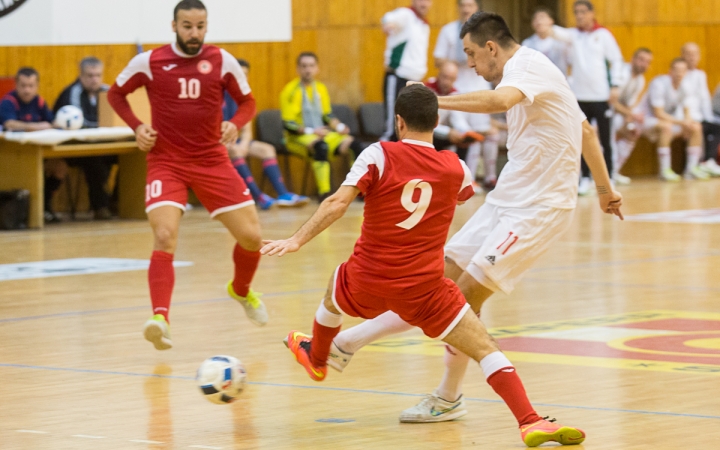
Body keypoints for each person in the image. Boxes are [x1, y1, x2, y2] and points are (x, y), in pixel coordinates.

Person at [325, 11, 623, 426]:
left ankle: (438, 391)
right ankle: (350, 345)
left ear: (490, 48)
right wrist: (606, 191)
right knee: (433, 282)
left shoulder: (528, 67)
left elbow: (499, 103)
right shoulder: (531, 73)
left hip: (538, 211)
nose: (468, 63)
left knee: (457, 302)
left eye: (470, 54)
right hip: (505, 200)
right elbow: (586, 132)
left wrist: (430, 102)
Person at [262, 84, 586, 448]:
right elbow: (463, 194)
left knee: (331, 298)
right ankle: (530, 421)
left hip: (368, 278)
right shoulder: (456, 168)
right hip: (424, 289)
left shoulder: (377, 154)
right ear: (436, 121)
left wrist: (296, 240)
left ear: (399, 122)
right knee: (485, 347)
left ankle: (319, 358)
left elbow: (338, 202)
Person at [107, 0, 268, 351]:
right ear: (174, 25)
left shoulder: (222, 61)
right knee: (165, 236)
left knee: (253, 238)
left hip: (211, 159)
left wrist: (235, 124)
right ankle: (160, 319)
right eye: (187, 26)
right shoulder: (149, 62)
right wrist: (137, 126)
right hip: (167, 161)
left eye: (200, 26)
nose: (194, 33)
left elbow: (249, 103)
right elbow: (115, 93)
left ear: (206, 26)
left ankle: (240, 290)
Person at [547, 0, 624, 195]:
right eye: (576, 12)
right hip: (579, 97)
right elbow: (554, 31)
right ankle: (586, 178)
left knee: (605, 140)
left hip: (601, 96)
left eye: (583, 12)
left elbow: (616, 60)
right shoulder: (573, 36)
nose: (579, 15)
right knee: (582, 139)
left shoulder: (603, 35)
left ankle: (610, 177)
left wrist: (615, 85)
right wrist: (543, 21)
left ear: (591, 13)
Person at [224, 58, 309, 210]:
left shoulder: (244, 97)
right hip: (220, 143)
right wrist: (233, 144)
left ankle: (283, 195)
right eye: (239, 74)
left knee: (267, 149)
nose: (242, 78)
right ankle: (258, 196)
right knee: (235, 150)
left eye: (246, 74)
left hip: (238, 142)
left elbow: (247, 130)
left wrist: (244, 144)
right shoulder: (219, 95)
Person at [434, 0, 499, 191]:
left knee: (485, 133)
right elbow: (438, 58)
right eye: (463, 5)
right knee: (468, 135)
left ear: (476, 8)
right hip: (458, 88)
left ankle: (490, 177)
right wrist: (462, 58)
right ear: (458, 8)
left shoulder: (486, 32)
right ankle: (468, 179)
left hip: (480, 86)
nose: (466, 9)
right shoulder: (448, 30)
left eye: (470, 5)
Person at [281, 52, 360, 201]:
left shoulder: (321, 88)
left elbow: (327, 115)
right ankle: (324, 194)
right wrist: (312, 131)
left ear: (317, 68)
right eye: (304, 66)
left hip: (320, 133)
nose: (308, 70)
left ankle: (358, 189)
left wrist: (340, 127)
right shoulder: (290, 91)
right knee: (320, 147)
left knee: (354, 144)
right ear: (298, 69)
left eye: (311, 66)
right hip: (298, 137)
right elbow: (288, 124)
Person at [0, 67, 66, 223]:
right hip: (13, 155)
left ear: (37, 86)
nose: (27, 90)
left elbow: (51, 122)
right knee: (35, 169)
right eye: (23, 85)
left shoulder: (39, 101)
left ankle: (45, 207)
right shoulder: (8, 102)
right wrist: (36, 126)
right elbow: (10, 123)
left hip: (39, 152)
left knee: (60, 167)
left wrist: (61, 122)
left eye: (31, 86)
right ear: (16, 85)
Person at [54, 56, 115, 220]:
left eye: (98, 75)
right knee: (95, 160)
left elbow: (117, 117)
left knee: (132, 158)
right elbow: (82, 123)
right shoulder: (72, 93)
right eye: (90, 75)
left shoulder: (107, 91)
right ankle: (101, 207)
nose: (95, 80)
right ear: (81, 76)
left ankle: (117, 203)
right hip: (73, 149)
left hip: (103, 146)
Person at [636, 58, 705, 181]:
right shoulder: (658, 84)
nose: (679, 74)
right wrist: (682, 122)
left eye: (683, 70)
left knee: (696, 127)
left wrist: (688, 123)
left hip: (668, 120)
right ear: (670, 71)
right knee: (666, 127)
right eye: (676, 70)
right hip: (644, 119)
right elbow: (658, 113)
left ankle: (691, 169)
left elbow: (686, 110)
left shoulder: (686, 85)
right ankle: (664, 170)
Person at [380, 0, 432, 141]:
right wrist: (388, 24)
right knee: (393, 127)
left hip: (415, 82)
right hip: (398, 78)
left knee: (410, 130)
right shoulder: (406, 15)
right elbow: (388, 18)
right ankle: (376, 161)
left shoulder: (424, 25)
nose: (424, 3)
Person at [609, 47, 653, 184]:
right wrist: (629, 115)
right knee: (611, 132)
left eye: (647, 62)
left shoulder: (640, 80)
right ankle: (600, 173)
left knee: (633, 131)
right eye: (641, 60)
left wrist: (629, 118)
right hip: (602, 111)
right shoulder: (621, 73)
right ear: (632, 59)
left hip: (618, 113)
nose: (643, 64)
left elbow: (629, 104)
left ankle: (613, 170)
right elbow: (611, 100)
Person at [424, 61, 484, 152]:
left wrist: (467, 132)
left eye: (451, 79)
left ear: (455, 79)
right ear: (438, 75)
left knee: (463, 142)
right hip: (423, 133)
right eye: (445, 77)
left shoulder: (453, 93)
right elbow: (425, 124)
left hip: (439, 131)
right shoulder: (426, 90)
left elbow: (458, 119)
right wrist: (449, 132)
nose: (446, 82)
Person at [680, 42, 720, 176]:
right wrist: (687, 119)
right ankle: (693, 167)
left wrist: (710, 118)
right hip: (683, 117)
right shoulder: (679, 74)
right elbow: (681, 100)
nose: (692, 57)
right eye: (688, 54)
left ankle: (708, 161)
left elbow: (704, 98)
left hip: (699, 116)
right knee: (699, 127)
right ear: (682, 56)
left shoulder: (700, 74)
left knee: (715, 126)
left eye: (695, 54)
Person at [521, 8, 569, 76]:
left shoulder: (562, 42)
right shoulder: (527, 44)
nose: (539, 21)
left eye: (542, 17)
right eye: (536, 19)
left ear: (551, 20)